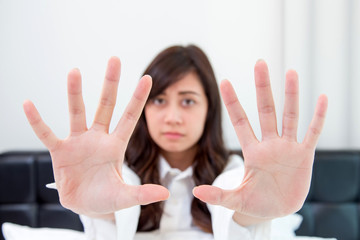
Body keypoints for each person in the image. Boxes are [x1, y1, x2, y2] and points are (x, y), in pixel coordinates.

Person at [23, 45, 328, 240]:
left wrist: (254, 212)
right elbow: (118, 206)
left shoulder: (237, 173)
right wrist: (96, 208)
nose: (172, 117)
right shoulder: (119, 173)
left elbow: (235, 203)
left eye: (188, 101)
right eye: (158, 100)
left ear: (209, 109)